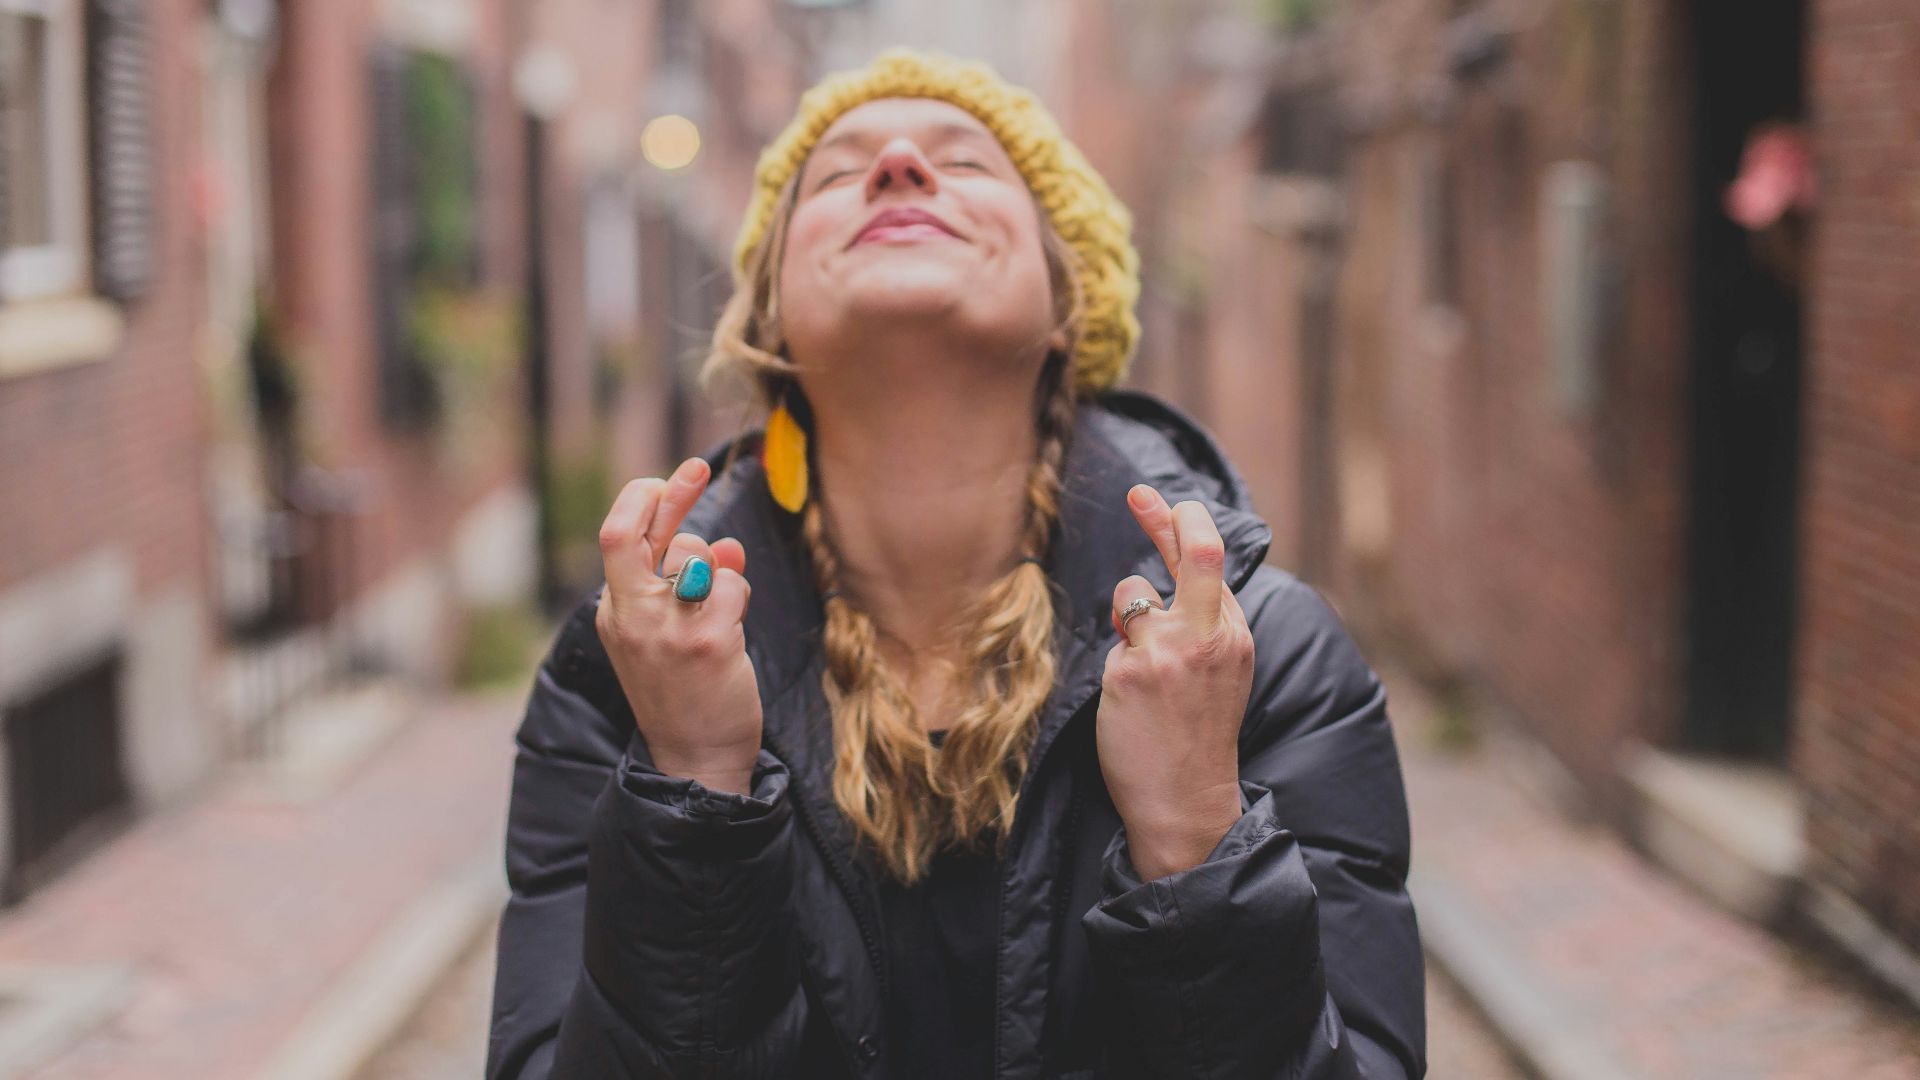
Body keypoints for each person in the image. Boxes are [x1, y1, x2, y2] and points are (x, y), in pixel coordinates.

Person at [485, 47, 1424, 1080]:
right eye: (836, 175)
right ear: (769, 324)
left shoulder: (1261, 660)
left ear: (1073, 302)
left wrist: (1198, 834)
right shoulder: (621, 676)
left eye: (967, 163)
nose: (895, 161)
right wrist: (694, 791)